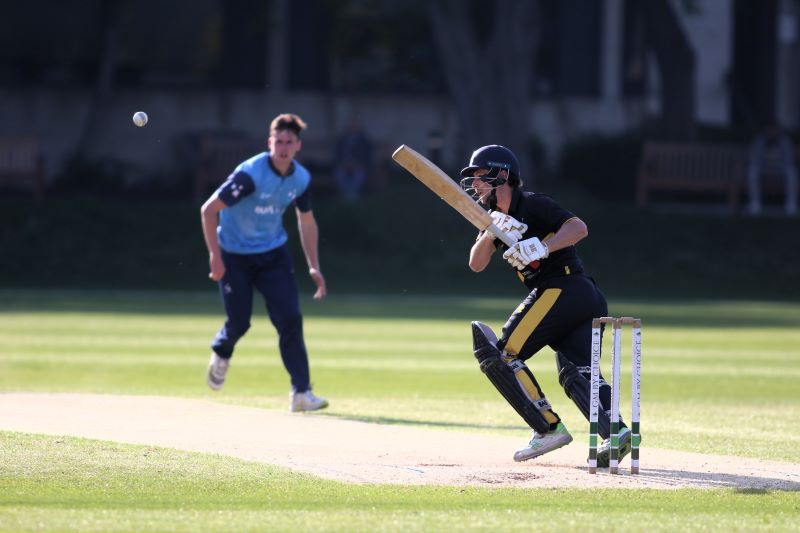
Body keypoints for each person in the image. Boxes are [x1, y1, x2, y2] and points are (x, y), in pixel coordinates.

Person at [460, 144, 630, 466]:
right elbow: (476, 264)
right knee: (575, 372)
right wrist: (491, 231)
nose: (476, 184)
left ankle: (547, 427)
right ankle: (617, 432)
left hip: (564, 287)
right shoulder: (495, 220)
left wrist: (542, 246)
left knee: (502, 354)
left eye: (481, 176)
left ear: (503, 175)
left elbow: (578, 228)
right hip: (580, 297)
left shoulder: (533, 204)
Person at [200, 113, 329, 412]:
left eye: (289, 142)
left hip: (272, 255)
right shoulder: (250, 176)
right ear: (269, 143)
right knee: (239, 322)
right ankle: (222, 350)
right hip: (234, 255)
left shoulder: (301, 179)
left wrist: (314, 265)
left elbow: (306, 222)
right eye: (278, 141)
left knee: (290, 319)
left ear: (298, 146)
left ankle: (301, 392)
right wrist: (215, 256)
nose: (283, 148)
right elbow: (208, 210)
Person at [747, 121, 798, 216]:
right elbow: (755, 158)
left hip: (780, 168)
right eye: (769, 130)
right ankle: (755, 203)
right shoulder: (760, 141)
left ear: (778, 131)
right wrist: (767, 169)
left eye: (774, 130)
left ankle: (791, 204)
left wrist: (776, 168)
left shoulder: (785, 142)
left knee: (791, 173)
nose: (772, 132)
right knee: (752, 172)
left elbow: (788, 159)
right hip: (763, 168)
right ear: (766, 131)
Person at [333, 116, 372, 202]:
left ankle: (352, 197)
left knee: (359, 175)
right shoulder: (342, 139)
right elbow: (337, 154)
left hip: (359, 166)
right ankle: (347, 196)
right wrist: (342, 164)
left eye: (355, 124)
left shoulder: (364, 140)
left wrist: (358, 164)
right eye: (351, 124)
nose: (353, 126)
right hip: (344, 165)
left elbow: (367, 156)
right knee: (340, 174)